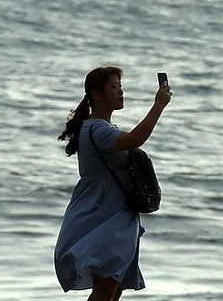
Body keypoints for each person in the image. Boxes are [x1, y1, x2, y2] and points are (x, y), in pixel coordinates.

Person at [54, 66, 172, 301]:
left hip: (111, 214)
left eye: (120, 87)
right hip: (103, 218)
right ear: (96, 94)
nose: (120, 92)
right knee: (106, 291)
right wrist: (158, 105)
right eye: (114, 87)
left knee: (113, 290)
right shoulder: (97, 129)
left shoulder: (100, 128)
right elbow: (135, 139)